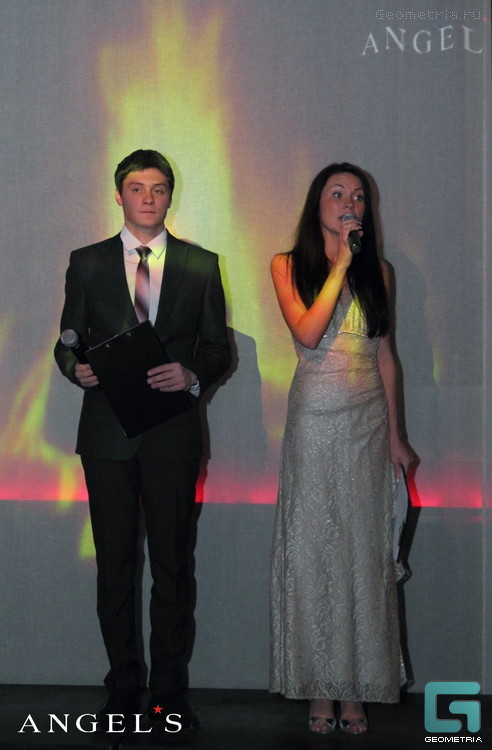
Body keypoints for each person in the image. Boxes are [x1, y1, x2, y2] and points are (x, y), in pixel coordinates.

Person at [54, 149, 231, 731]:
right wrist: (74, 367)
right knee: (115, 565)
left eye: (158, 188)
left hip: (173, 433)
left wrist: (192, 374)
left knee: (173, 565)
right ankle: (124, 687)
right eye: (137, 188)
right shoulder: (87, 262)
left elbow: (217, 348)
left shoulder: (202, 264)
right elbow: (67, 340)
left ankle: (168, 694)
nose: (148, 198)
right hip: (106, 434)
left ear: (170, 196)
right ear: (119, 195)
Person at [269, 163, 418, 735]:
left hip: (368, 423)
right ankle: (319, 687)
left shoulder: (379, 271)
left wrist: (397, 436)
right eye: (337, 194)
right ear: (317, 206)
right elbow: (307, 333)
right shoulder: (288, 265)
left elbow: (386, 356)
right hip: (314, 417)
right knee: (314, 548)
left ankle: (355, 687)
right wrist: (338, 267)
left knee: (362, 550)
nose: (349, 203)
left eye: (357, 196)